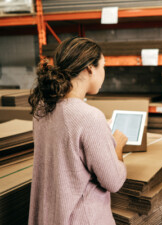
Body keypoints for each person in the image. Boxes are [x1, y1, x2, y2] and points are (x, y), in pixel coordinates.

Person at [28, 37, 127, 225]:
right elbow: (113, 182)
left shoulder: (42, 108)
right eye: (103, 66)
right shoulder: (90, 117)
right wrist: (118, 147)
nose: (104, 73)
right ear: (90, 68)